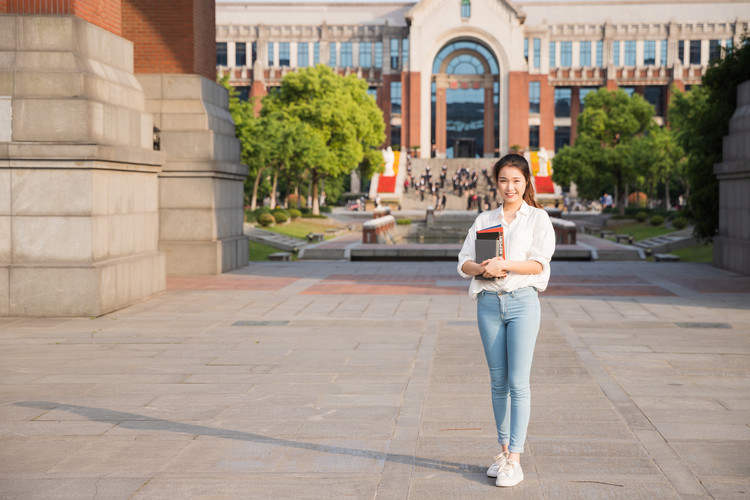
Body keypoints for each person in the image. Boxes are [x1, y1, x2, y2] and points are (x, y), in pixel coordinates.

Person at [457, 153, 555, 488]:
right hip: (488, 304)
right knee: (498, 382)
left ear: (527, 181)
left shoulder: (537, 219)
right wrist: (482, 268)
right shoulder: (485, 218)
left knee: (518, 381)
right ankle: (502, 453)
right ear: (496, 183)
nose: (509, 187)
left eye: (516, 180)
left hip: (523, 304)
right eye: (503, 180)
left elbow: (540, 264)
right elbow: (464, 262)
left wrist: (505, 264)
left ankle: (516, 458)